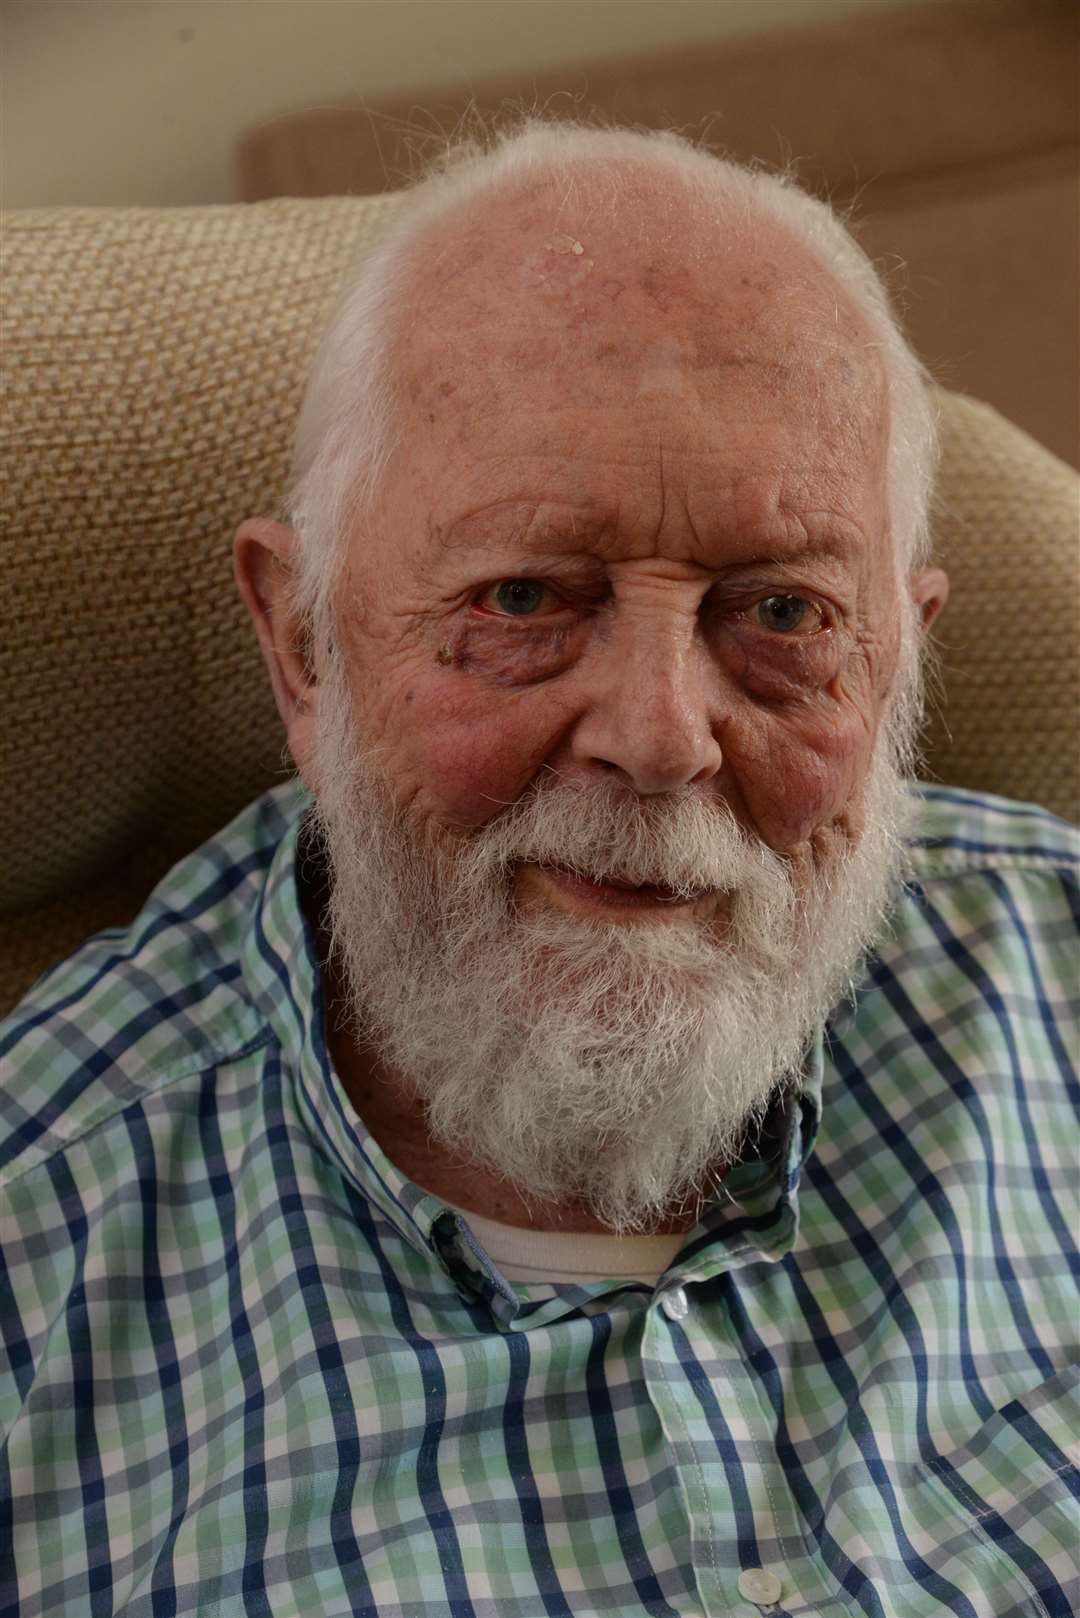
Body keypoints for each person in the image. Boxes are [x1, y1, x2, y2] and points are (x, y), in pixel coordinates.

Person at [1, 121, 1076, 1618]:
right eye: (522, 596)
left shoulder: (1059, 965)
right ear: (304, 647)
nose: (658, 737)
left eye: (780, 613)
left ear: (900, 662)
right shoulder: (34, 1270)